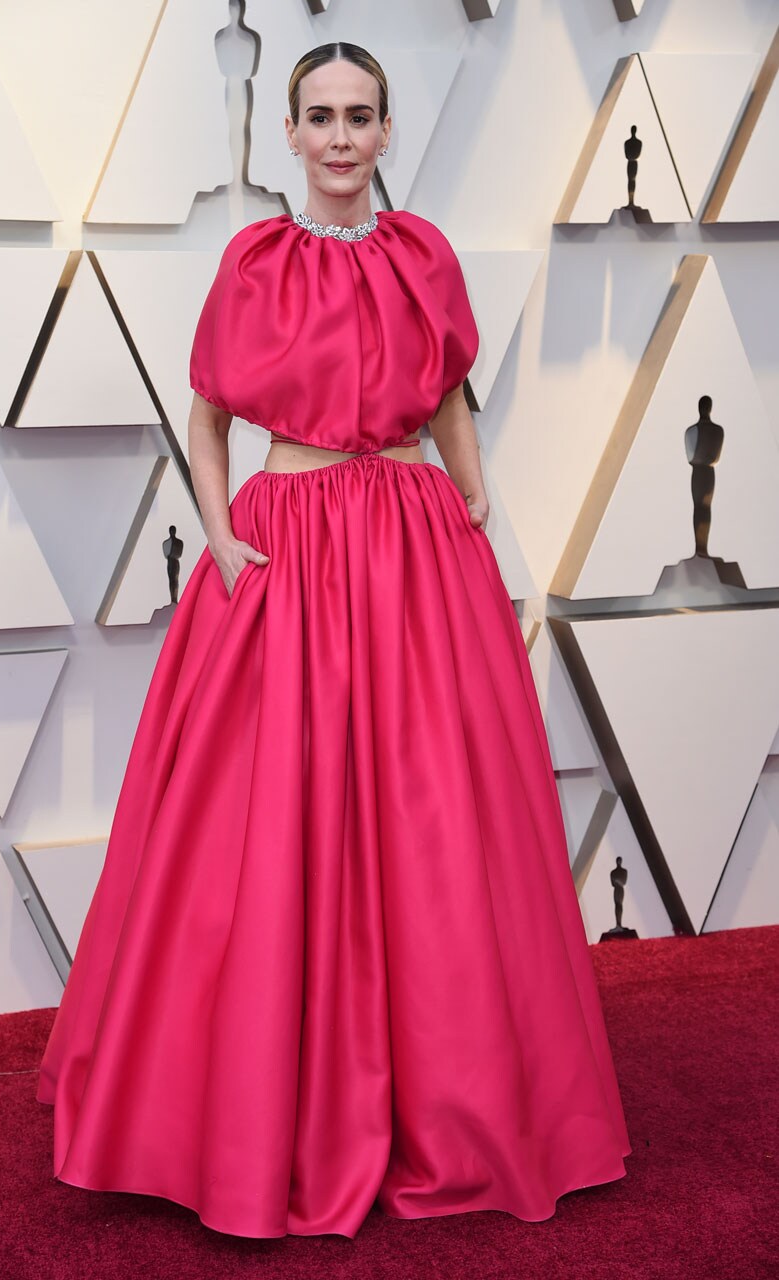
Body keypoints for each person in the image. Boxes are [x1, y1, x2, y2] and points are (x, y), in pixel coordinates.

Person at [36, 41, 631, 1240]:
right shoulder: (252, 261)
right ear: (291, 135)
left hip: (413, 555)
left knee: (433, 825)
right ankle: (255, 1106)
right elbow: (204, 421)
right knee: (264, 826)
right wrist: (218, 541)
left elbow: (452, 401)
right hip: (288, 556)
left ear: (387, 127)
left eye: (361, 116)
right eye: (321, 117)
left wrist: (472, 523)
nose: (343, 137)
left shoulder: (425, 259)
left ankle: (449, 1102)